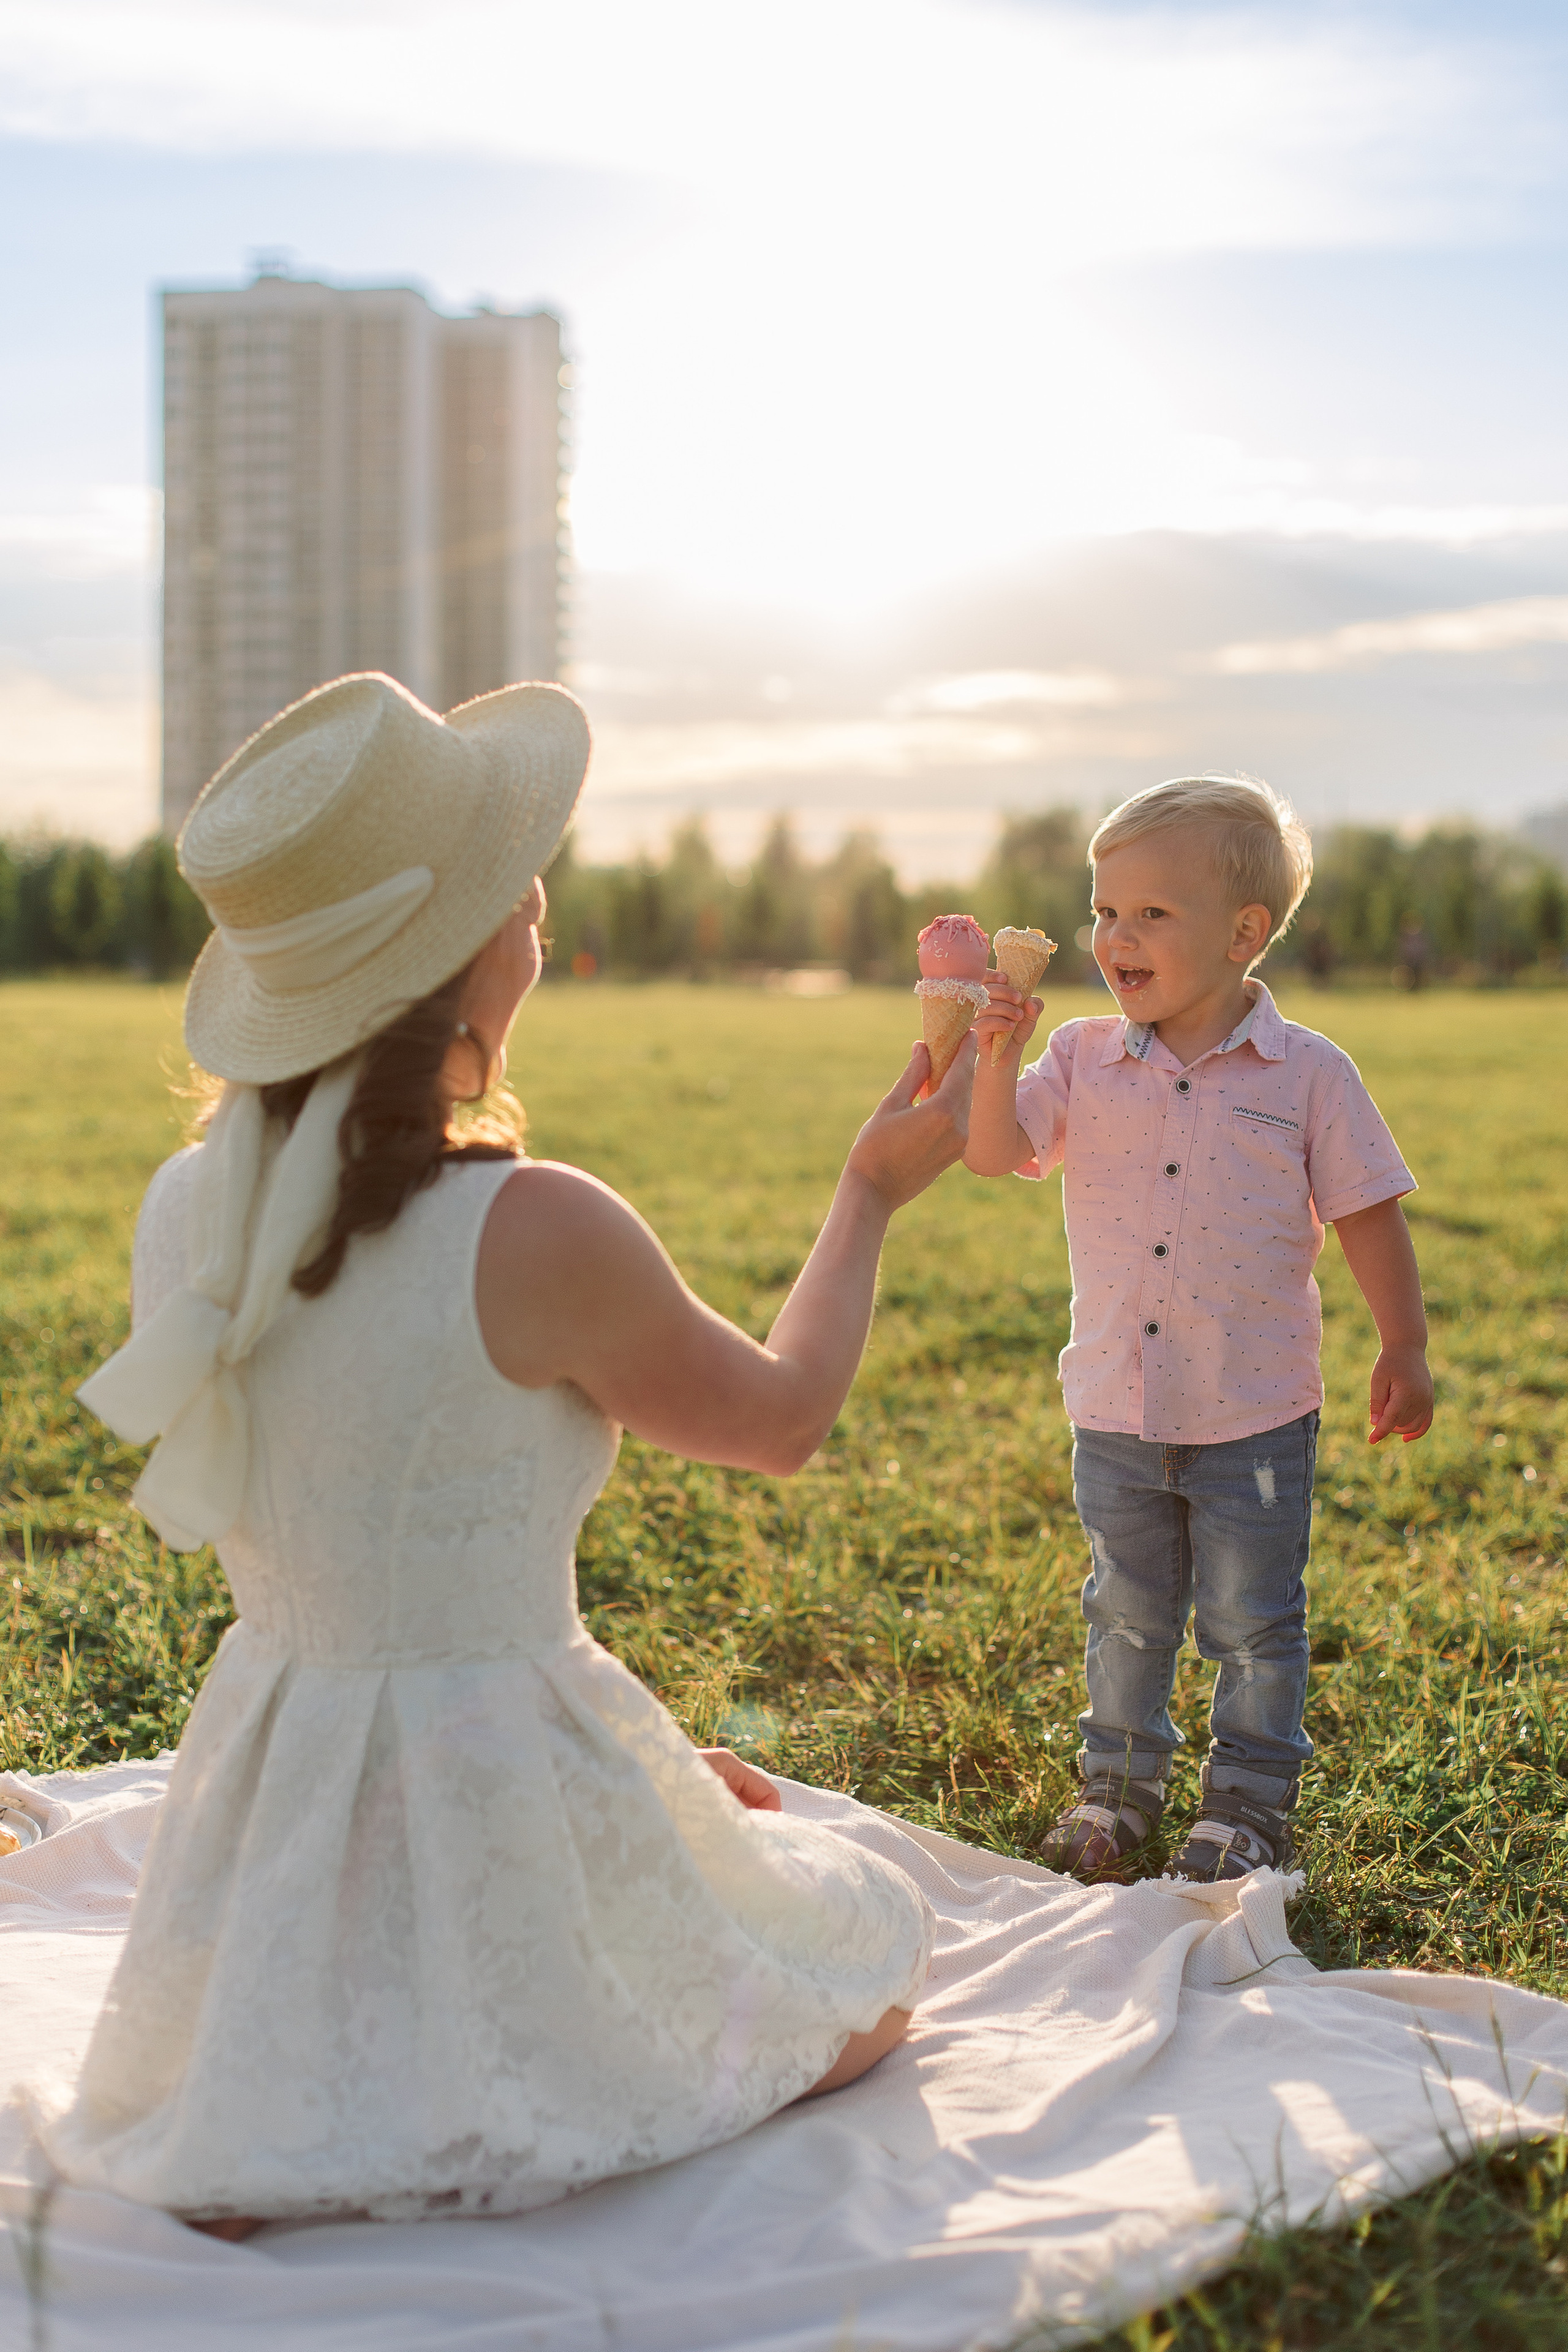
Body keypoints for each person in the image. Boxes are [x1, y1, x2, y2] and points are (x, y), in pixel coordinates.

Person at [42, 672, 973, 2234]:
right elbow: (783, 1422)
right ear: (478, 951)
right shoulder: (532, 1226)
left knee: (342, 2075)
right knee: (861, 1977)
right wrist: (866, 1196)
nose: (536, 895)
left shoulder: (183, 1203)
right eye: (514, 879)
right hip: (497, 1771)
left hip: (269, 1794)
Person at [965, 776, 1433, 1885]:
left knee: (1251, 1620)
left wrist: (1403, 1345)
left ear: (1245, 933)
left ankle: (1248, 1805)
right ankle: (1117, 1789)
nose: (1113, 937)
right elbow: (994, 1154)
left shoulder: (1309, 1074)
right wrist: (994, 1050)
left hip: (1253, 1413)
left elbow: (1368, 1211)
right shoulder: (1080, 1056)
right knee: (1126, 1614)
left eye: (1149, 915)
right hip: (1119, 1406)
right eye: (1103, 910)